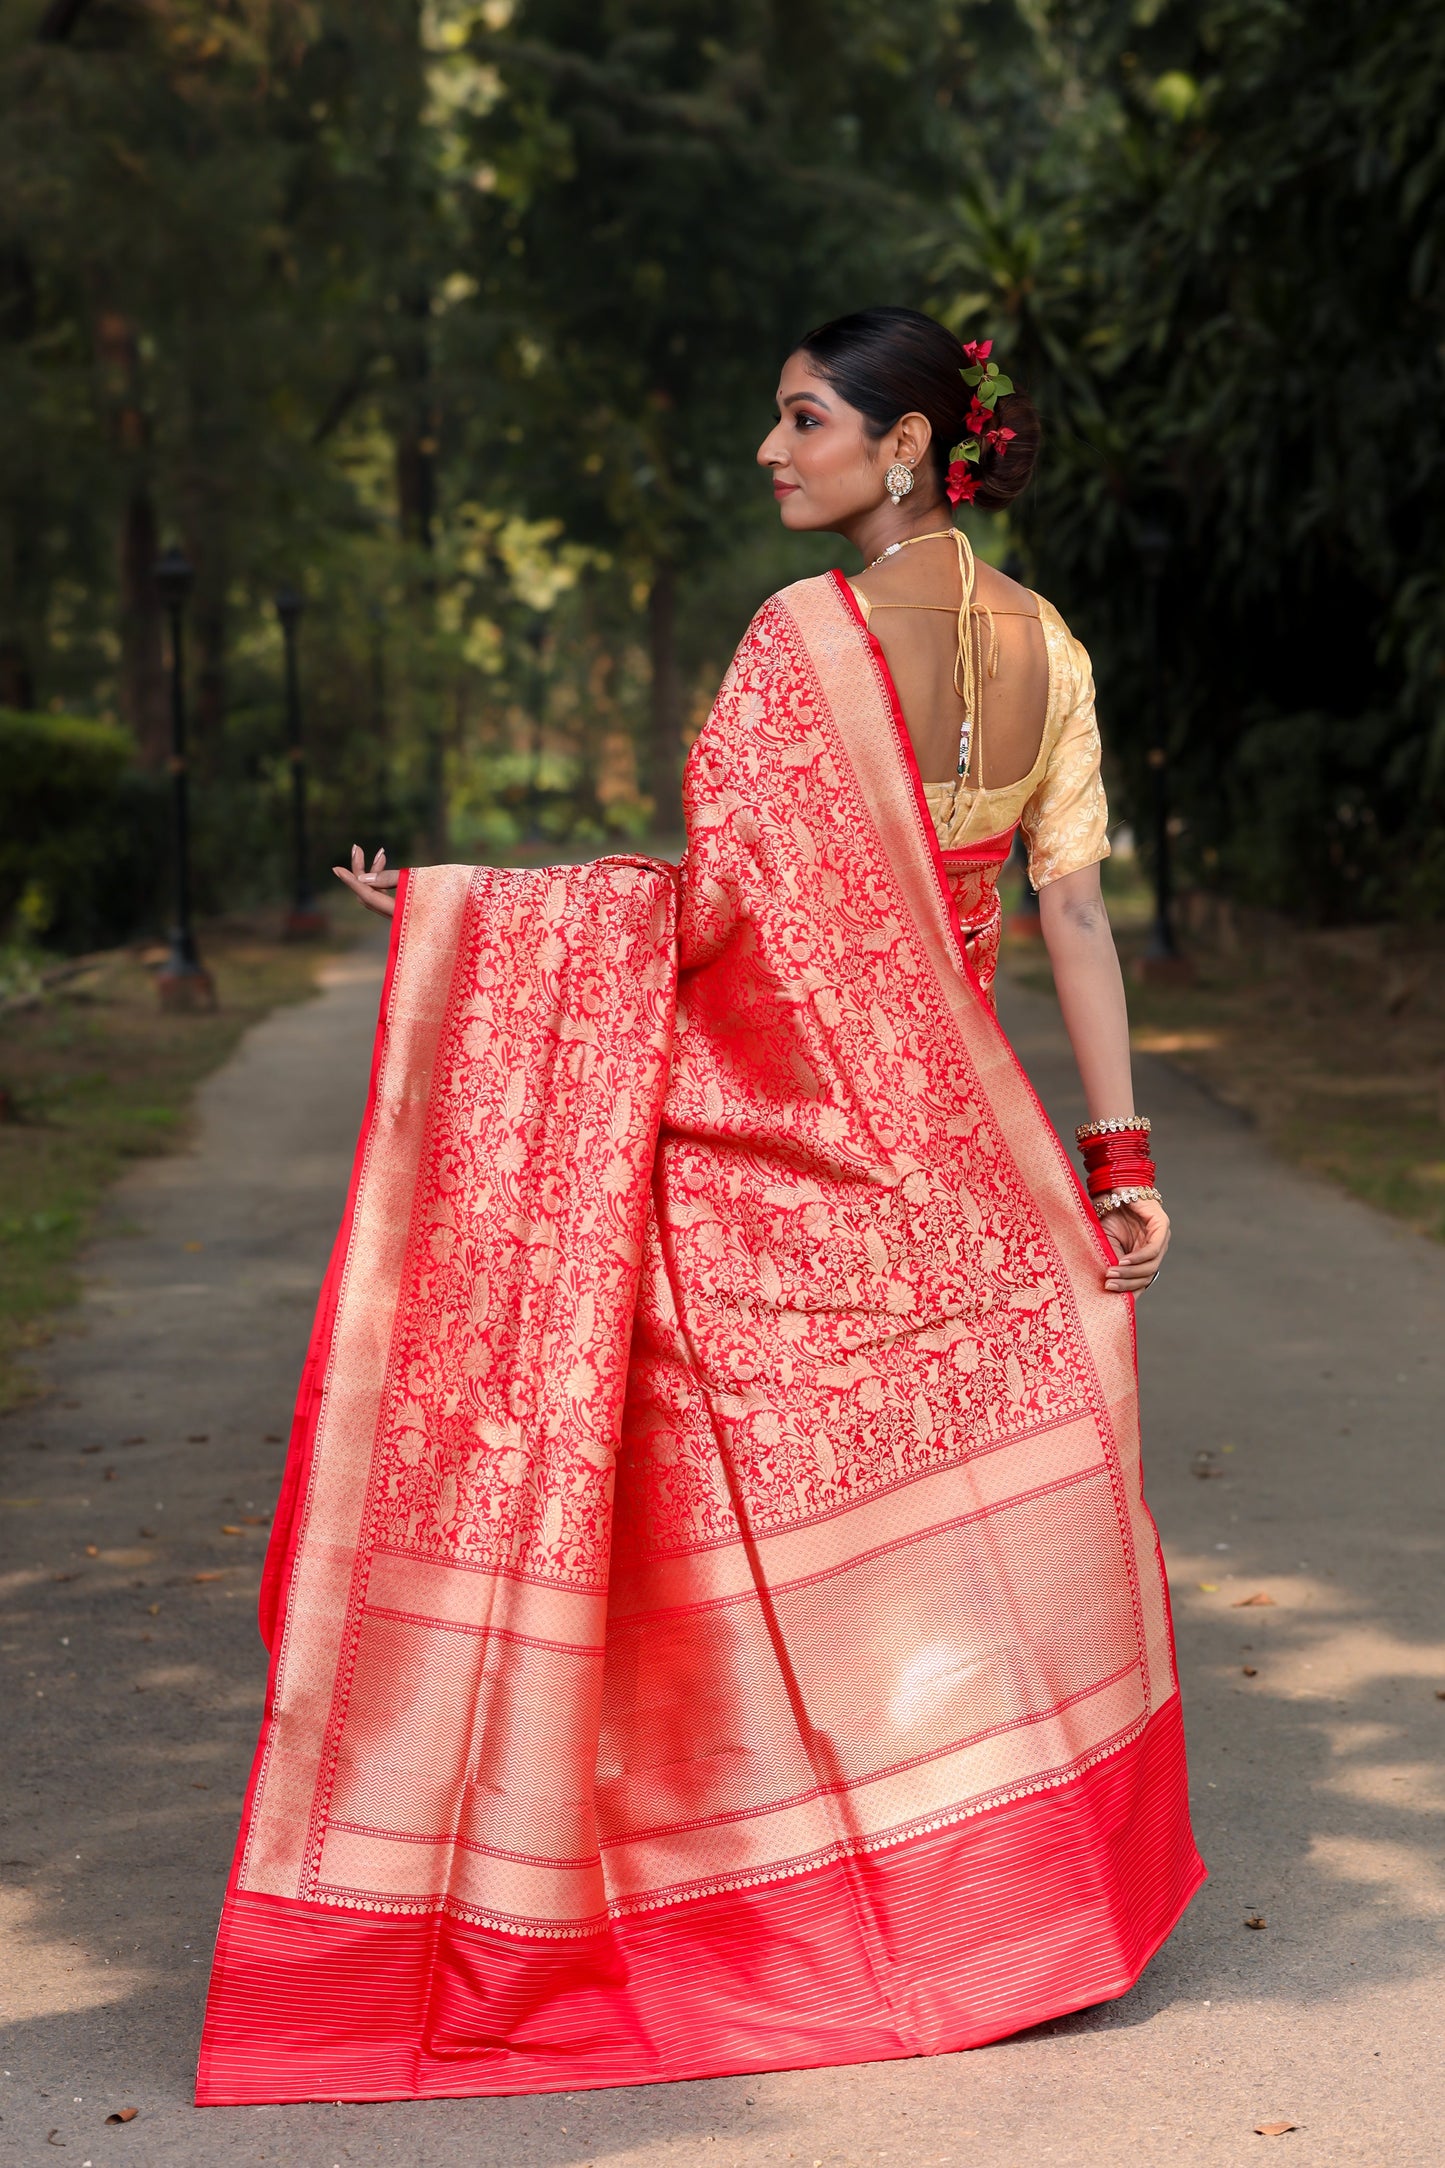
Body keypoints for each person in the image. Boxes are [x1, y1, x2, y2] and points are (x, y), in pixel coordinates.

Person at [199, 306, 1202, 2109]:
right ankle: (1023, 1919)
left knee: (689, 1501)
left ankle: (749, 1906)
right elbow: (1070, 917)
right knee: (987, 1545)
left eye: (802, 418)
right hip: (979, 1177)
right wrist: (1116, 1158)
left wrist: (468, 916)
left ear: (902, 447)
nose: (770, 450)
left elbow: (713, 922)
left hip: (809, 1166)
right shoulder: (1046, 647)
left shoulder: (797, 644)